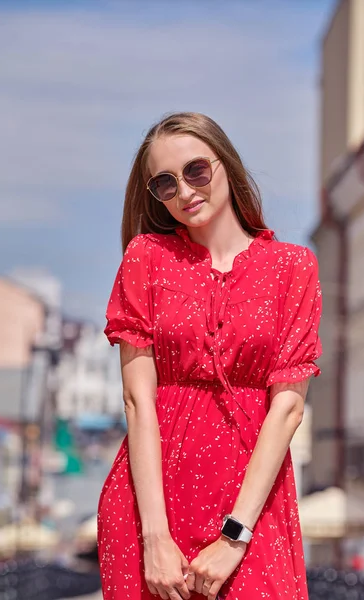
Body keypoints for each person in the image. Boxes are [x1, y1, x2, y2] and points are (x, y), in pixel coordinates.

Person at [98, 112, 322, 600]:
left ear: (228, 166)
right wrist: (154, 537)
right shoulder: (146, 257)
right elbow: (138, 402)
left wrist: (233, 536)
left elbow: (287, 408)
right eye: (164, 182)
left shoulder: (293, 267)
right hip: (152, 508)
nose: (184, 190)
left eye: (196, 170)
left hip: (252, 507)